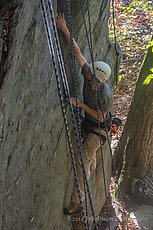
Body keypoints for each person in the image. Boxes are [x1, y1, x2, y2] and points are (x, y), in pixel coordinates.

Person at [56, 13, 113, 215]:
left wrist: (79, 104)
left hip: (98, 131)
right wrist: (64, 28)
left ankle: (76, 203)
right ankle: (92, 160)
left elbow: (100, 117)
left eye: (96, 81)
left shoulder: (104, 96)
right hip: (91, 125)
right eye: (92, 79)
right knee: (88, 159)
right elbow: (77, 52)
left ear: (102, 81)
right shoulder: (91, 74)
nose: (92, 82)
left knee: (81, 163)